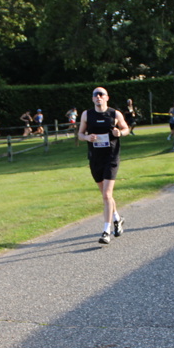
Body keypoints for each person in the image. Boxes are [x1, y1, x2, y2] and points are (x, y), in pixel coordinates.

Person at [78, 87, 130, 245]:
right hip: (95, 158)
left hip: (111, 157)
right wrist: (87, 137)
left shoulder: (115, 114)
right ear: (92, 98)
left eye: (101, 94)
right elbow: (80, 134)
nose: (98, 97)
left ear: (107, 97)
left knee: (107, 195)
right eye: (95, 95)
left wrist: (120, 133)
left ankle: (106, 231)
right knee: (106, 196)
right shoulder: (87, 114)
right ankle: (117, 219)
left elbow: (126, 128)